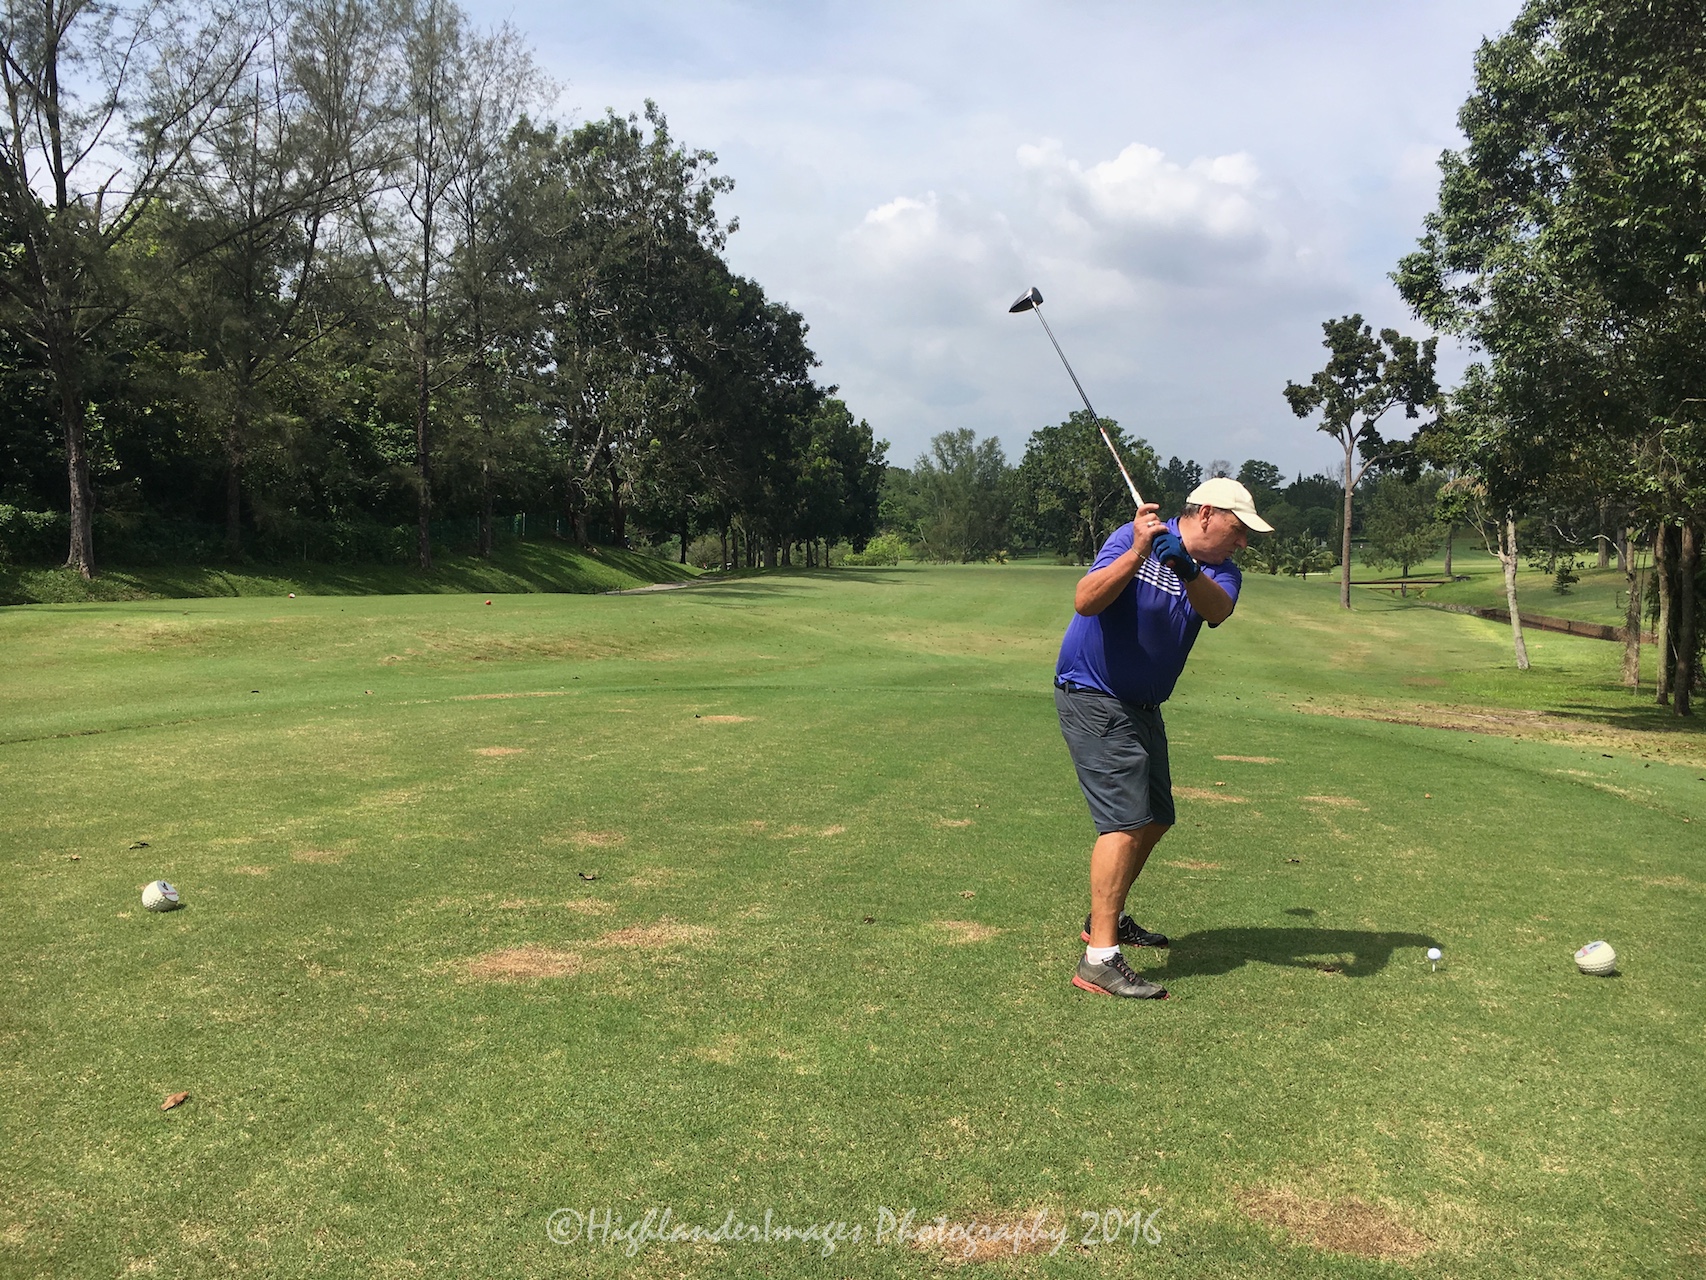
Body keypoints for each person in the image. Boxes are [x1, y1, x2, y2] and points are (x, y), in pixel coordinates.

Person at [1053, 476, 1272, 999]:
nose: (1243, 542)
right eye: (1238, 529)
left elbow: (1217, 610)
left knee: (1156, 817)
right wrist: (1137, 551)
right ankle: (1099, 959)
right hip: (1095, 694)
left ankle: (1104, 917)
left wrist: (1188, 569)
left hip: (1144, 707)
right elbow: (1085, 601)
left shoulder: (1222, 570)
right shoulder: (1131, 537)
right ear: (1206, 514)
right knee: (1125, 823)